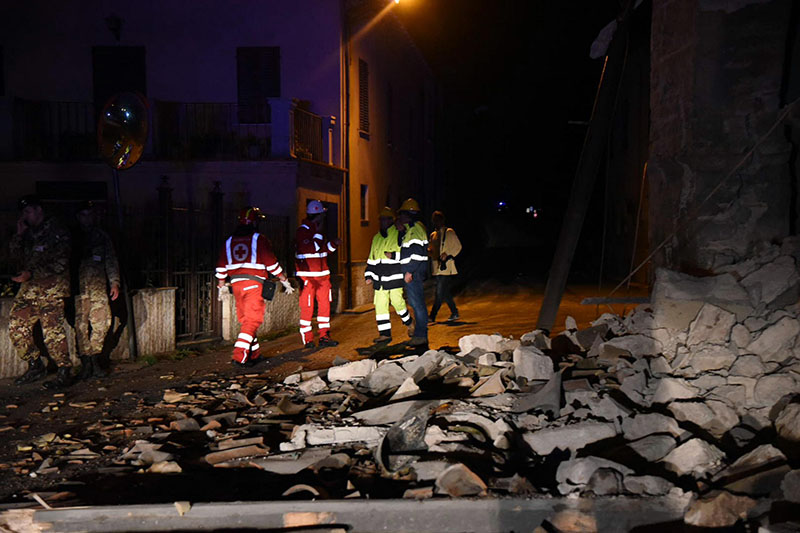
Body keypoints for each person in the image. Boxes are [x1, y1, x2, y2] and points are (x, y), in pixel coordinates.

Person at [216, 206, 294, 367]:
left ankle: (254, 354)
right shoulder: (259, 239)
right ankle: (240, 356)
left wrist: (221, 286)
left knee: (246, 321)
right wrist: (284, 280)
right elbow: (271, 262)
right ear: (255, 222)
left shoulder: (229, 241)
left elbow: (221, 266)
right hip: (254, 284)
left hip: (237, 285)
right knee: (252, 321)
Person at [9, 195, 73, 388]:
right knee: (16, 326)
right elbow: (14, 257)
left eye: (28, 211)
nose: (25, 215)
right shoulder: (28, 233)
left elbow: (62, 261)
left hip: (51, 289)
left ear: (39, 210)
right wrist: (18, 235)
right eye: (23, 212)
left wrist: (32, 273)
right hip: (29, 290)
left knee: (52, 332)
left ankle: (64, 370)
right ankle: (35, 365)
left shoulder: (57, 231)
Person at [73, 201, 120, 379]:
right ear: (78, 217)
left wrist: (114, 282)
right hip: (78, 289)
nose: (87, 218)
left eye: (90, 214)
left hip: (98, 287)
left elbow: (110, 259)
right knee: (80, 326)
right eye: (84, 215)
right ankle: (86, 362)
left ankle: (94, 358)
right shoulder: (71, 236)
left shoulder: (101, 236)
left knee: (103, 322)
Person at [295, 200, 341, 348]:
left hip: (322, 277)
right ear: (318, 215)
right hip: (308, 277)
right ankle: (308, 339)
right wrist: (319, 233)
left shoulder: (317, 231)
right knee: (307, 308)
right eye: (322, 214)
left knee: (325, 307)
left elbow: (322, 250)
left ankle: (324, 336)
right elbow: (313, 248)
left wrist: (333, 244)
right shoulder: (303, 231)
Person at [365, 206, 412, 343]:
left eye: (386, 219)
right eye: (382, 219)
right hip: (379, 280)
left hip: (394, 277)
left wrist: (393, 256)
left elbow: (405, 253)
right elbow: (371, 259)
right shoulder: (376, 238)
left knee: (397, 302)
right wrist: (368, 275)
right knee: (380, 305)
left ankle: (409, 323)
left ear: (392, 220)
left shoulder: (398, 233)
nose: (383, 222)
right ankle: (385, 334)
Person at [396, 198, 429, 347]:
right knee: (417, 305)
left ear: (408, 215)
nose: (399, 218)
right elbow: (406, 251)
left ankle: (421, 336)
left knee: (418, 305)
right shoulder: (412, 229)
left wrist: (409, 271)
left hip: (413, 273)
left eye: (401, 215)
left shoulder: (415, 229)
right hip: (413, 272)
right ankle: (419, 335)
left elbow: (417, 254)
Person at [428, 210, 462, 322]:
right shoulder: (433, 235)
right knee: (444, 292)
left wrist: (448, 254)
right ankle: (454, 312)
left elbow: (458, 246)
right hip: (437, 268)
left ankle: (432, 316)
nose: (436, 222)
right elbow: (431, 250)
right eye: (435, 220)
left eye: (437, 220)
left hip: (445, 268)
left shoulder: (449, 232)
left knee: (439, 292)